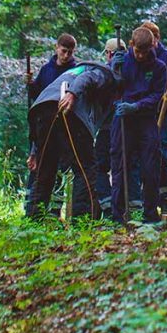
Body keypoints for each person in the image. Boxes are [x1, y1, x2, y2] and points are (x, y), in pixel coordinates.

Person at [26, 53, 121, 220]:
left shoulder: (73, 70)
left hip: (40, 111)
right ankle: (82, 222)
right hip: (69, 111)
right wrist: (72, 94)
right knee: (85, 169)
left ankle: (33, 220)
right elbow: (88, 78)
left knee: (45, 170)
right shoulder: (105, 74)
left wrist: (34, 151)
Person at [110, 27, 167, 224]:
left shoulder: (159, 67)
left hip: (145, 119)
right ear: (131, 45)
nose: (141, 56)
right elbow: (109, 90)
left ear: (152, 46)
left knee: (150, 166)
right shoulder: (121, 62)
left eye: (145, 51)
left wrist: (136, 106)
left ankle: (150, 214)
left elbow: (157, 95)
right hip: (123, 120)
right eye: (137, 51)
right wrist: (112, 71)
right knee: (119, 166)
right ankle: (117, 216)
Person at [25, 34, 80, 215]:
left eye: (70, 52)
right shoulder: (46, 70)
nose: (66, 55)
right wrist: (30, 84)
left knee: (61, 170)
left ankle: (55, 212)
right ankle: (35, 211)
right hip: (45, 126)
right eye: (63, 51)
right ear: (57, 48)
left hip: (65, 125)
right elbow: (38, 95)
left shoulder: (75, 71)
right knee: (42, 170)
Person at [139, 21, 167, 215]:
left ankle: (164, 199)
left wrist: (166, 96)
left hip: (162, 114)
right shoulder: (139, 56)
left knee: (161, 155)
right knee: (142, 156)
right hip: (142, 113)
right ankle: (144, 200)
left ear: (156, 39)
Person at [92, 38, 125, 219]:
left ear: (109, 53)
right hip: (106, 127)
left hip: (119, 128)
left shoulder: (129, 71)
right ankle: (109, 206)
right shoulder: (104, 72)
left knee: (119, 168)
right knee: (102, 168)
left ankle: (116, 208)